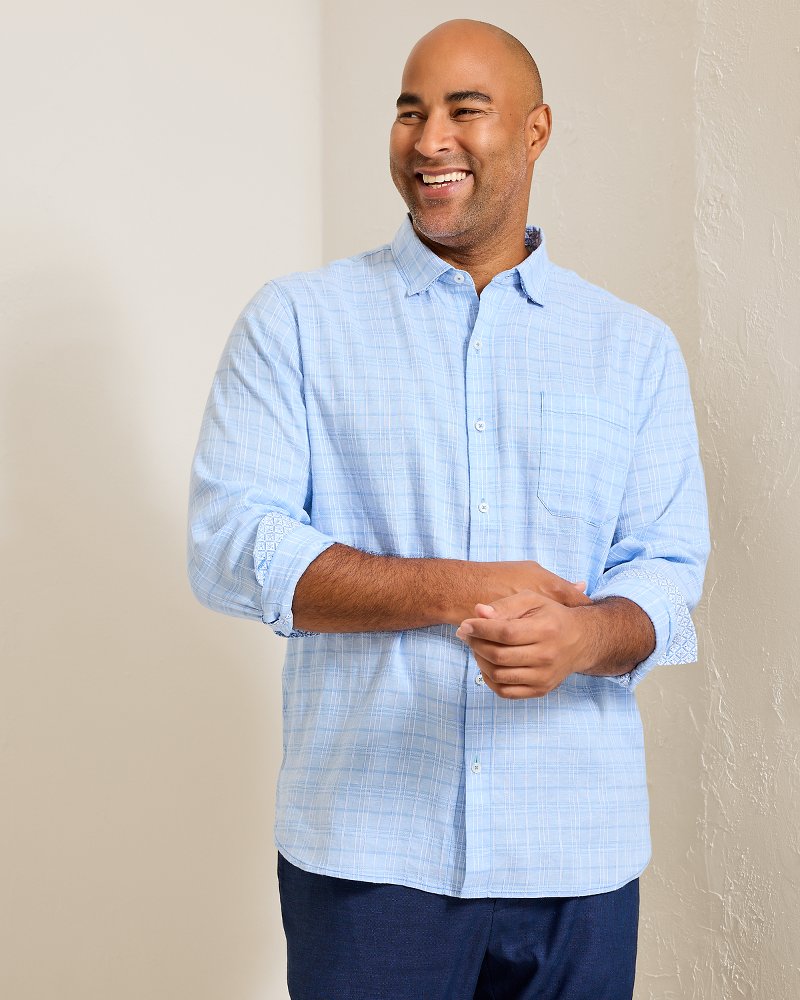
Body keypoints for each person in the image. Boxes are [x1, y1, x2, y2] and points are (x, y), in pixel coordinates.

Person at [188, 18, 709, 1000]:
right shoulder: (297, 322)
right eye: (409, 111)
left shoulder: (632, 349)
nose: (429, 139)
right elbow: (230, 543)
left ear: (535, 131)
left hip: (577, 855)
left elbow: (667, 570)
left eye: (465, 110)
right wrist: (459, 586)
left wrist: (583, 635)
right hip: (370, 855)